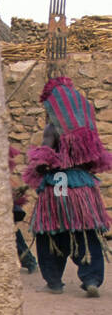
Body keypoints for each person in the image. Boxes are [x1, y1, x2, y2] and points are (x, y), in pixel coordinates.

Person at [23, 73, 111, 297]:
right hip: (82, 187)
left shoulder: (52, 129)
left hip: (58, 187)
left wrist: (39, 167)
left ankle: (53, 281)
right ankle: (91, 278)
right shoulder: (86, 127)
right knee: (86, 231)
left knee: (49, 231)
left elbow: (44, 159)